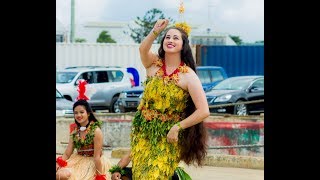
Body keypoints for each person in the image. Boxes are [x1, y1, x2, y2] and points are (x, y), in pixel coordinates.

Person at [110, 19, 210, 180]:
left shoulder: (188, 75)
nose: (170, 40)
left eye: (175, 38)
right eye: (167, 37)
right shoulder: (153, 65)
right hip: (143, 134)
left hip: (168, 138)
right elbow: (143, 48)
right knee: (140, 175)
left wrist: (177, 127)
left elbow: (204, 111)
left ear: (183, 45)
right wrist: (155, 30)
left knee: (154, 175)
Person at [56, 80, 112, 180]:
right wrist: (58, 163)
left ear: (88, 113)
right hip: (77, 160)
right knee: (60, 175)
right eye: (76, 113)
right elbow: (67, 153)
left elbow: (96, 157)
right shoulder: (75, 131)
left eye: (82, 112)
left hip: (94, 163)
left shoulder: (96, 131)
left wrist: (100, 176)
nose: (79, 115)